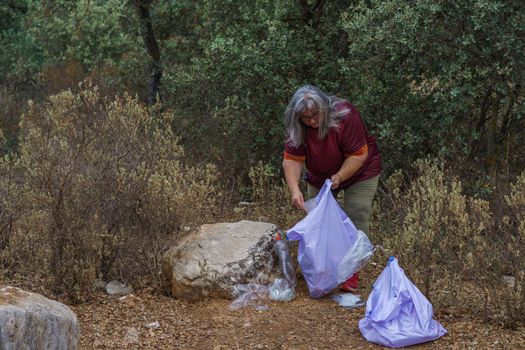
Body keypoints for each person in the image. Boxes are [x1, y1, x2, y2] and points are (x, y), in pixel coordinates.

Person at [282, 85, 381, 293]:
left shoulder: (346, 115)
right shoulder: (296, 126)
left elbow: (358, 154)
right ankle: (324, 269)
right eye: (306, 118)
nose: (312, 121)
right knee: (318, 220)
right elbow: (292, 160)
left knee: (356, 213)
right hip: (320, 175)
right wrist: (294, 190)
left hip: (360, 170)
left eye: (316, 115)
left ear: (325, 108)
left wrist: (340, 176)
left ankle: (350, 272)